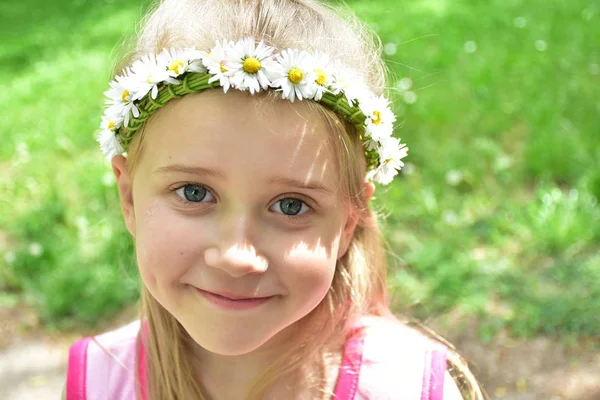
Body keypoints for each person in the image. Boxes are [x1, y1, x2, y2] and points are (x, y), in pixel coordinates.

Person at [64, 0, 489, 399]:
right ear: (129, 198)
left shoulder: (407, 387)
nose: (236, 256)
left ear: (347, 221)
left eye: (291, 205)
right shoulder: (97, 380)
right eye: (195, 193)